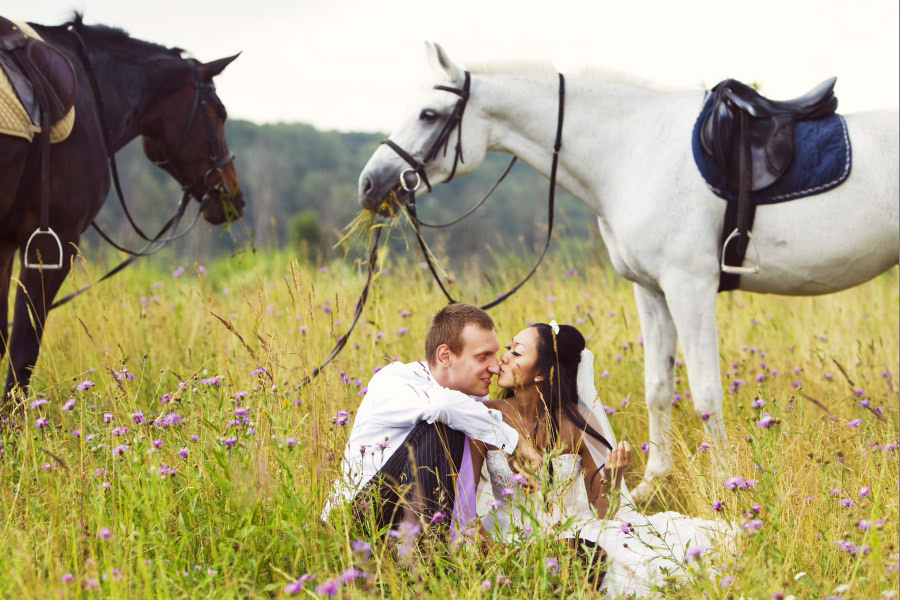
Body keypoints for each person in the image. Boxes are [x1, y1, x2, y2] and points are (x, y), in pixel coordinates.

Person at [469, 321, 734, 598]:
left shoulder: (576, 420)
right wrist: (487, 546)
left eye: (517, 352)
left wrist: (614, 474)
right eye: (509, 347)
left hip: (578, 530)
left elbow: (602, 511)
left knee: (644, 568)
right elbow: (464, 494)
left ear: (541, 373)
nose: (505, 355)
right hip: (508, 534)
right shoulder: (485, 416)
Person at [321, 303, 538, 532]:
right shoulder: (394, 379)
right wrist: (517, 442)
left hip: (405, 520)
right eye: (483, 356)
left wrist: (510, 459)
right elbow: (441, 405)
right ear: (445, 356)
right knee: (442, 426)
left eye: (494, 354)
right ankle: (427, 559)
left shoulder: (470, 400)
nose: (495, 367)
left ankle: (434, 551)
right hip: (355, 518)